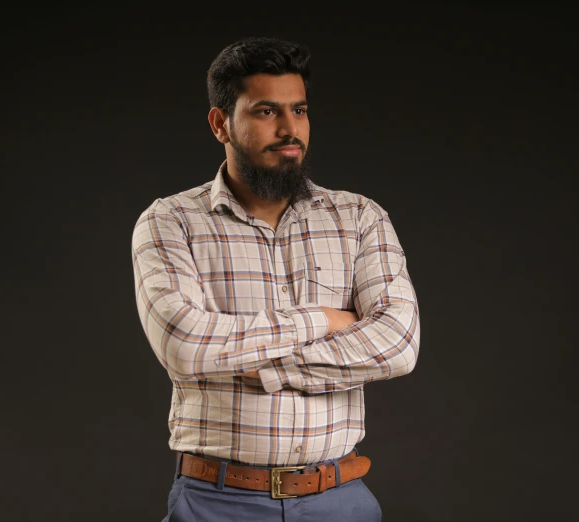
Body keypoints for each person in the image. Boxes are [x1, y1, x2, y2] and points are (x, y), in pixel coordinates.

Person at [131, 36, 420, 522]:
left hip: (339, 499)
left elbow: (400, 342)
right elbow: (183, 344)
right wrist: (323, 320)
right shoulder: (171, 221)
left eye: (299, 110)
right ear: (221, 123)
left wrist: (271, 370)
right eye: (267, 112)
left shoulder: (359, 217)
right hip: (216, 503)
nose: (290, 129)